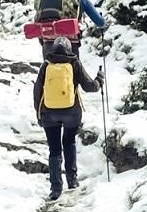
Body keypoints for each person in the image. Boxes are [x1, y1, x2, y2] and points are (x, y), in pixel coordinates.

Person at [33, 36, 102, 201]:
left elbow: (37, 91)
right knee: (69, 142)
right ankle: (72, 180)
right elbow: (89, 87)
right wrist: (99, 80)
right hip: (72, 113)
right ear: (69, 49)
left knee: (54, 149)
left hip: (49, 113)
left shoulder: (46, 65)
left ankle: (56, 188)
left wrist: (39, 113)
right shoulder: (74, 63)